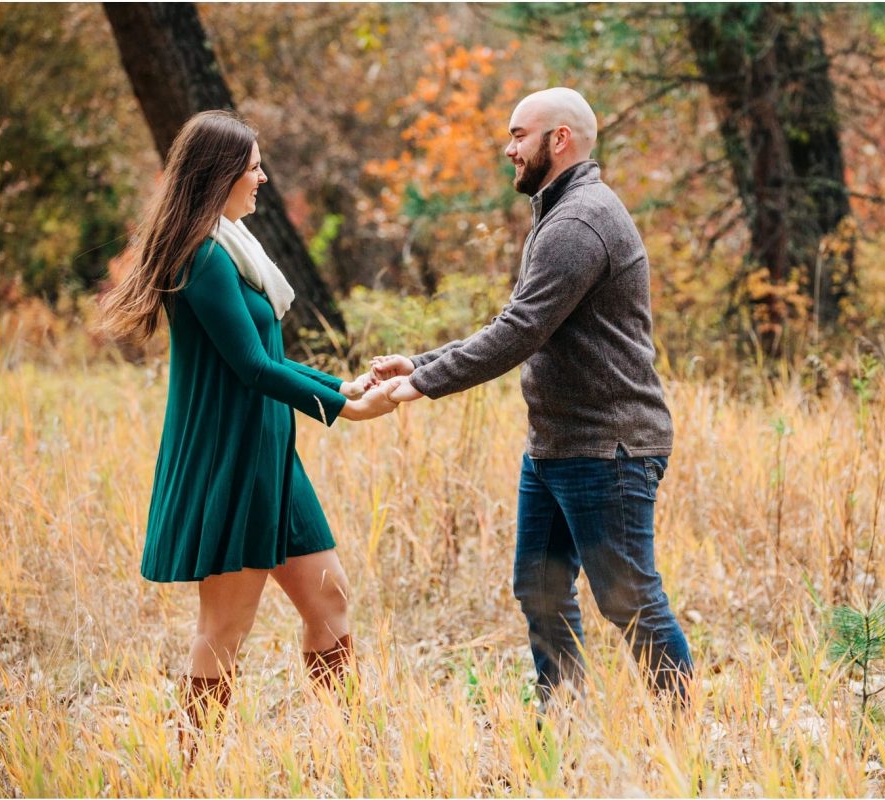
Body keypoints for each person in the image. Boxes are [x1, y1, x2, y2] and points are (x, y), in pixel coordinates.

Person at [372, 87, 693, 706]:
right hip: (558, 446)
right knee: (539, 589)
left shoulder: (580, 220)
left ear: (560, 139)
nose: (508, 148)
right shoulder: (561, 212)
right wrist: (420, 361)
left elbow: (518, 333)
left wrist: (419, 385)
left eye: (519, 135)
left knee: (629, 599)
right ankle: (564, 721)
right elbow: (518, 318)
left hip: (609, 447)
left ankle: (682, 742)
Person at [101, 110, 395, 756]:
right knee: (224, 629)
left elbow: (269, 354)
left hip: (271, 456)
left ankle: (346, 753)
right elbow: (252, 369)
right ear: (221, 175)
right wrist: (345, 413)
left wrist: (341, 386)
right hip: (230, 461)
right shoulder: (203, 256)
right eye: (254, 166)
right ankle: (189, 771)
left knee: (330, 603)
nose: (262, 177)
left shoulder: (233, 245)